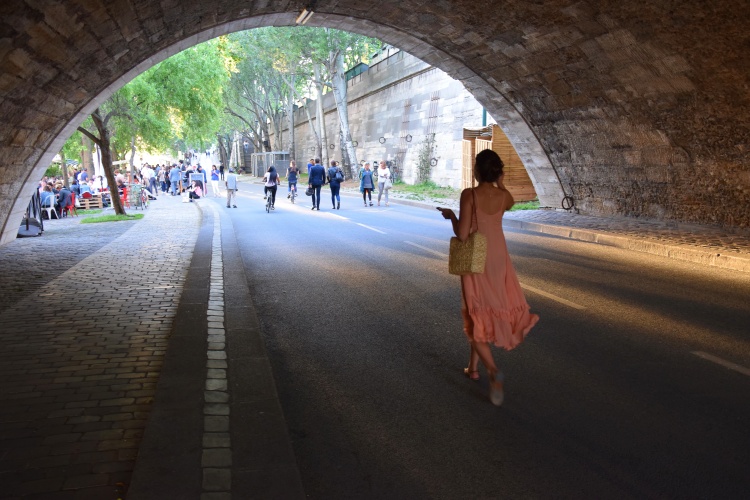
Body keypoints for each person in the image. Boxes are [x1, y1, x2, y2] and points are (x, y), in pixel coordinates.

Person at [438, 150, 539, 407]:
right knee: (484, 311)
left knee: (476, 312)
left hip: (477, 259)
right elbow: (511, 203)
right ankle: (473, 368)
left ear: (477, 171)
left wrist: (452, 217)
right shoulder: (503, 196)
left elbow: (462, 235)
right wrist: (501, 184)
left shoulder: (469, 194)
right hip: (499, 258)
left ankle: (493, 371)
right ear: (496, 172)